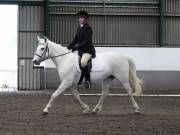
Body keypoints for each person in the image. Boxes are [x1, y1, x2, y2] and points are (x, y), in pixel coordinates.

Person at [67, 10, 96, 89]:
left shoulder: (88, 28)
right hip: (81, 51)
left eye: (82, 18)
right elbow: (75, 39)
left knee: (83, 62)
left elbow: (86, 41)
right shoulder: (79, 27)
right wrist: (68, 47)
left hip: (88, 50)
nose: (80, 19)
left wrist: (76, 47)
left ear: (85, 19)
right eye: (79, 18)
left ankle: (88, 80)